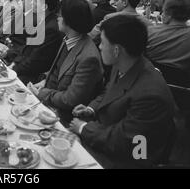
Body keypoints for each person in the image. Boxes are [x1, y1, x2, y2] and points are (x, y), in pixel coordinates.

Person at [70, 15, 176, 168]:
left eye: (103, 43)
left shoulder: (150, 94)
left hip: (128, 157)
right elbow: (110, 92)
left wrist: (83, 127)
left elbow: (125, 141)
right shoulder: (124, 64)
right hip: (107, 134)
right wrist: (91, 109)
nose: (99, 47)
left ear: (116, 50)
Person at [28, 0, 103, 125]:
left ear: (70, 21)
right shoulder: (68, 39)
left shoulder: (89, 58)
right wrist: (44, 81)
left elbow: (71, 99)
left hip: (63, 115)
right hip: (50, 98)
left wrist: (42, 93)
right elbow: (58, 69)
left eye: (60, 15)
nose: (57, 18)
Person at [146, 0, 190, 74]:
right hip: (188, 83)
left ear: (168, 16)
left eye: (163, 12)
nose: (162, 15)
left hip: (151, 79)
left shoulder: (149, 32)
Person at [11, 0, 63, 84]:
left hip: (34, 75)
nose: (32, 3)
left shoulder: (51, 29)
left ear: (44, 6)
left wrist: (14, 68)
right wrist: (15, 62)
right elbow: (27, 48)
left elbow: (36, 61)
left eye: (35, 0)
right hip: (25, 65)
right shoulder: (43, 19)